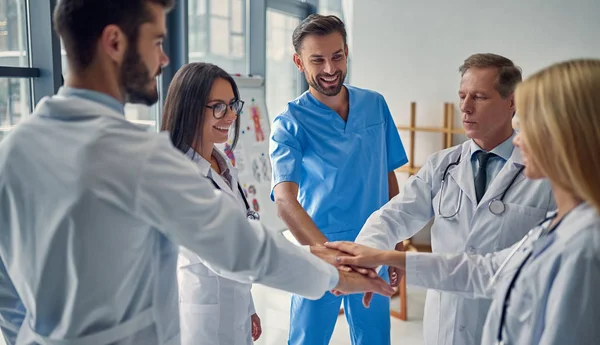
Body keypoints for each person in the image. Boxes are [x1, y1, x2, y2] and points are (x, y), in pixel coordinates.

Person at [0, 1, 395, 345]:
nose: (164, 59)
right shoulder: (141, 158)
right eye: (156, 41)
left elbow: (6, 287)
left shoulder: (14, 150)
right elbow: (244, 250)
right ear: (115, 42)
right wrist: (335, 275)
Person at [326, 58, 600, 345]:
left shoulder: (582, 239)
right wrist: (377, 257)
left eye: (479, 97)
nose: (466, 107)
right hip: (445, 323)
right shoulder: (445, 165)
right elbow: (483, 269)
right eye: (462, 96)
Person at [269, 14, 408, 345]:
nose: (330, 68)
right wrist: (331, 257)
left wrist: (397, 244)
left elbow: (388, 173)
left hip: (374, 244)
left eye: (337, 56)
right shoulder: (289, 122)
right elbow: (285, 201)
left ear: (346, 52)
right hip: (319, 249)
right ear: (298, 62)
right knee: (308, 339)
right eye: (317, 59)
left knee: (374, 338)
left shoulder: (374, 105)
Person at [160, 62, 262, 345]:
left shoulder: (222, 160)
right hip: (203, 321)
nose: (230, 116)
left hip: (236, 306)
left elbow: (240, 227)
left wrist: (249, 307)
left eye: (232, 105)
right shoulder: (180, 176)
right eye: (218, 106)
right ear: (189, 108)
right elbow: (225, 256)